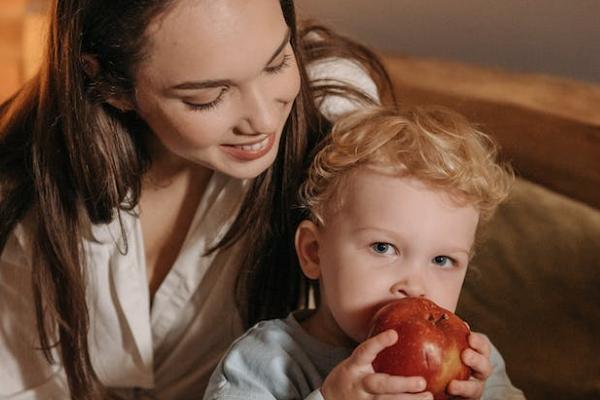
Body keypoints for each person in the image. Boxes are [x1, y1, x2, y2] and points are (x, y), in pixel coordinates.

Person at [0, 0, 394, 398]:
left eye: (276, 63)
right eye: (206, 97)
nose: (263, 119)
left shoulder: (332, 109)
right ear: (112, 86)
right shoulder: (24, 194)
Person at [203, 106, 526, 400]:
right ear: (314, 253)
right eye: (383, 248)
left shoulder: (475, 363)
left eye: (442, 260)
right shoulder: (266, 361)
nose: (414, 286)